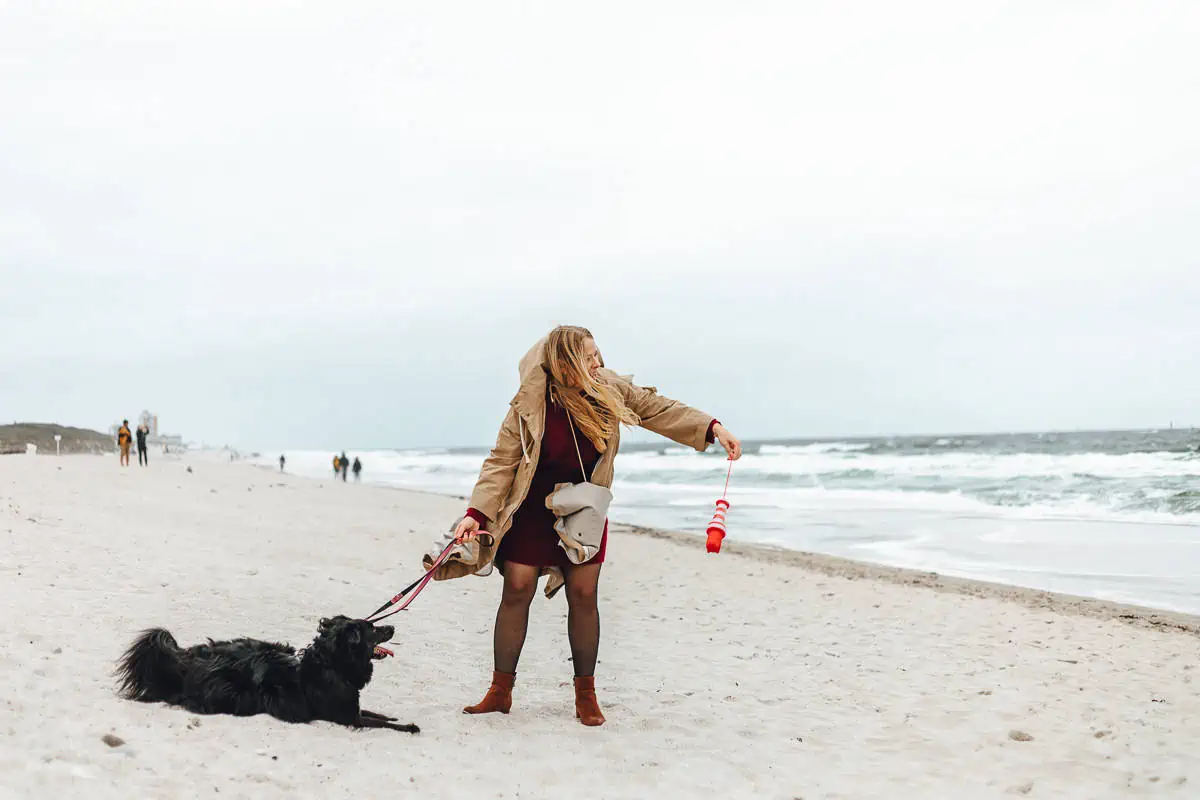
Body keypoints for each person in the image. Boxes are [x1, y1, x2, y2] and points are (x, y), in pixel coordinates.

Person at [449, 325, 742, 727]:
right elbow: (501, 461)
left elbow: (658, 409)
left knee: (584, 595)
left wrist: (713, 428)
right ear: (565, 362)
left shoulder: (608, 388)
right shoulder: (531, 402)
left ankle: (586, 695)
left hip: (585, 507)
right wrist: (476, 514)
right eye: (588, 357)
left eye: (597, 354)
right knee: (517, 588)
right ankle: (500, 692)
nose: (597, 363)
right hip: (534, 506)